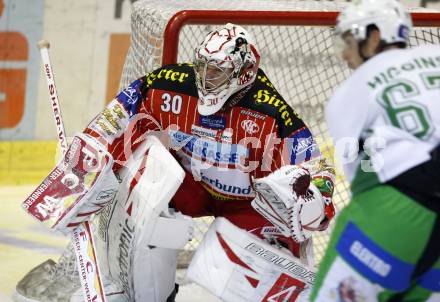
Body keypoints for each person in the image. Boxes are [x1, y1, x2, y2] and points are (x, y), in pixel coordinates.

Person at [15, 23, 336, 302]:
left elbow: (316, 175)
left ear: (244, 73)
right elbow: (115, 120)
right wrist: (84, 163)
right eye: (202, 66)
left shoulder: (269, 113)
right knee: (147, 193)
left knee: (253, 260)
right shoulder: (168, 84)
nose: (205, 78)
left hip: (245, 206)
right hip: (189, 191)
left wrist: (313, 202)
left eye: (217, 71)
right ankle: (144, 289)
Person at [311, 1, 440, 301]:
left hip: (397, 207)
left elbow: (365, 175)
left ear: (372, 37)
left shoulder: (349, 92)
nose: (344, 54)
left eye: (348, 42)